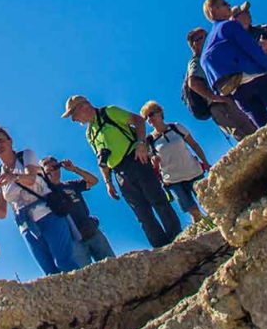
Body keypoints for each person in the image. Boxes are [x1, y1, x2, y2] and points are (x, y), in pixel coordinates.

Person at [62, 95, 182, 248]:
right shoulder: (89, 134)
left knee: (158, 201)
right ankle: (162, 248)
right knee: (142, 214)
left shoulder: (109, 112)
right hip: (119, 173)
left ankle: (178, 239)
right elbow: (101, 159)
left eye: (73, 114)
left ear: (83, 107)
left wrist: (140, 144)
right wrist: (108, 182)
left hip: (136, 159)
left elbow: (138, 120)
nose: (74, 119)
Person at [0, 125, 81, 276]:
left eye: (0, 141)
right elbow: (1, 212)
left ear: (10, 141)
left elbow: (31, 179)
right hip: (27, 226)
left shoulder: (25, 155)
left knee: (64, 262)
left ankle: (83, 294)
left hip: (49, 214)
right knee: (50, 271)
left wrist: (14, 177)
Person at [199, 0, 267, 128]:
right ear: (214, 10)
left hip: (237, 91)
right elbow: (253, 49)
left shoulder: (207, 45)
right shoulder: (229, 25)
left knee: (265, 129)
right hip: (258, 78)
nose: (229, 6)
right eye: (225, 4)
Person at [141, 101, 212, 222]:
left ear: (160, 113)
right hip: (173, 180)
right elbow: (153, 163)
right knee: (193, 211)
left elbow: (194, 144)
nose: (149, 119)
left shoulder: (176, 127)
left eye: (151, 114)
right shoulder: (149, 140)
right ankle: (205, 232)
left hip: (194, 172)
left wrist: (205, 161)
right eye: (146, 117)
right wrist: (154, 161)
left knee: (209, 203)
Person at [184, 27, 259, 140]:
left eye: (206, 35)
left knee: (252, 128)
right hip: (221, 105)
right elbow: (192, 82)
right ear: (193, 46)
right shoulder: (197, 61)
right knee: (246, 133)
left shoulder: (210, 54)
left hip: (228, 99)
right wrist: (216, 98)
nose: (205, 39)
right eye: (200, 38)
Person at [40, 154, 115, 265]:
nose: (54, 172)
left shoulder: (70, 185)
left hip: (91, 230)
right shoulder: (45, 194)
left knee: (112, 265)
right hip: (72, 239)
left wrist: (74, 169)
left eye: (56, 167)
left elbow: (93, 181)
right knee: (85, 275)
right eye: (49, 170)